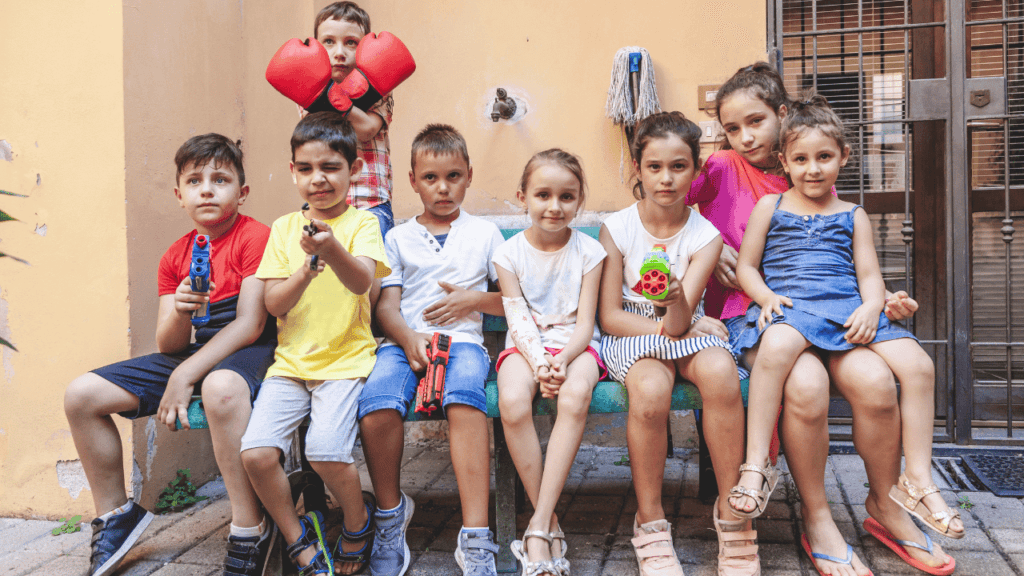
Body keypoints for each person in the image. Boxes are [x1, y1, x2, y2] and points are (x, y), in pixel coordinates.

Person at [688, 62, 951, 576]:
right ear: (791, 159)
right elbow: (671, 199)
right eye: (733, 128)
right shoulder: (724, 168)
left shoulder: (829, 191)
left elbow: (861, 268)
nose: (744, 138)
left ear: (782, 118)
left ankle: (887, 505)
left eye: (756, 122)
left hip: (834, 312)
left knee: (878, 383)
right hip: (767, 311)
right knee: (805, 389)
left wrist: (879, 303)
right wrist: (705, 247)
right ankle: (818, 516)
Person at [63, 134, 278, 576]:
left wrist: (184, 376)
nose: (207, 189)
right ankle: (117, 515)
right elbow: (171, 345)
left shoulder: (256, 237)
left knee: (219, 388)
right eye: (195, 180)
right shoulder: (176, 256)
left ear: (242, 191)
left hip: (251, 349)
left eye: (220, 179)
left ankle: (248, 525)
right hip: (197, 351)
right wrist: (181, 310)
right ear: (179, 195)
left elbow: (250, 324)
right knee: (81, 395)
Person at [598, 112, 757, 576]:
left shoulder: (704, 236)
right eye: (654, 167)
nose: (666, 179)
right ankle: (650, 520)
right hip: (632, 332)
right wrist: (670, 323)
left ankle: (733, 516)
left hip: (685, 323)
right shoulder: (618, 228)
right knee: (649, 390)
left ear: (695, 169)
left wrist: (676, 303)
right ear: (637, 168)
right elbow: (609, 316)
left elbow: (682, 318)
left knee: (720, 372)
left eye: (678, 167)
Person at [239, 112, 390, 576]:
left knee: (326, 451)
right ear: (293, 173)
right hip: (290, 366)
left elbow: (363, 282)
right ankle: (297, 536)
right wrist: (306, 268)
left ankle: (357, 522)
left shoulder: (363, 224)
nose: (318, 179)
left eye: (330, 167)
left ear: (354, 171)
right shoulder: (284, 229)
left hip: (346, 362)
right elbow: (275, 303)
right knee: (257, 454)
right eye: (305, 169)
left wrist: (329, 249)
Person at [357, 124, 506, 576]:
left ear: (469, 176)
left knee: (465, 399)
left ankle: (476, 535)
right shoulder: (398, 238)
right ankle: (389, 516)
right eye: (431, 178)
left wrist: (473, 300)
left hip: (464, 345)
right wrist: (407, 338)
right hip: (404, 342)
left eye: (454, 176)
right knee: (377, 403)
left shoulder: (485, 233)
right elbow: (387, 305)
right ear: (412, 180)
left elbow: (512, 300)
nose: (443, 188)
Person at [493, 149, 606, 576]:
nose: (554, 206)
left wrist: (562, 359)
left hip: (577, 347)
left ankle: (536, 528)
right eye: (543, 195)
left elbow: (586, 321)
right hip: (526, 346)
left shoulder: (590, 252)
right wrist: (540, 361)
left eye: (566, 196)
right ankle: (550, 521)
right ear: (522, 197)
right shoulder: (509, 254)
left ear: (579, 201)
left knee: (575, 396)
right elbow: (516, 314)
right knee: (513, 402)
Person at [311, 1, 396, 239]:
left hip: (371, 203)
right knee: (322, 270)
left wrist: (340, 102)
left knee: (372, 273)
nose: (340, 52)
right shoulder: (311, 89)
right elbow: (321, 132)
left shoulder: (380, 88)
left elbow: (367, 129)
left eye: (351, 42)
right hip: (324, 202)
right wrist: (327, 94)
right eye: (329, 42)